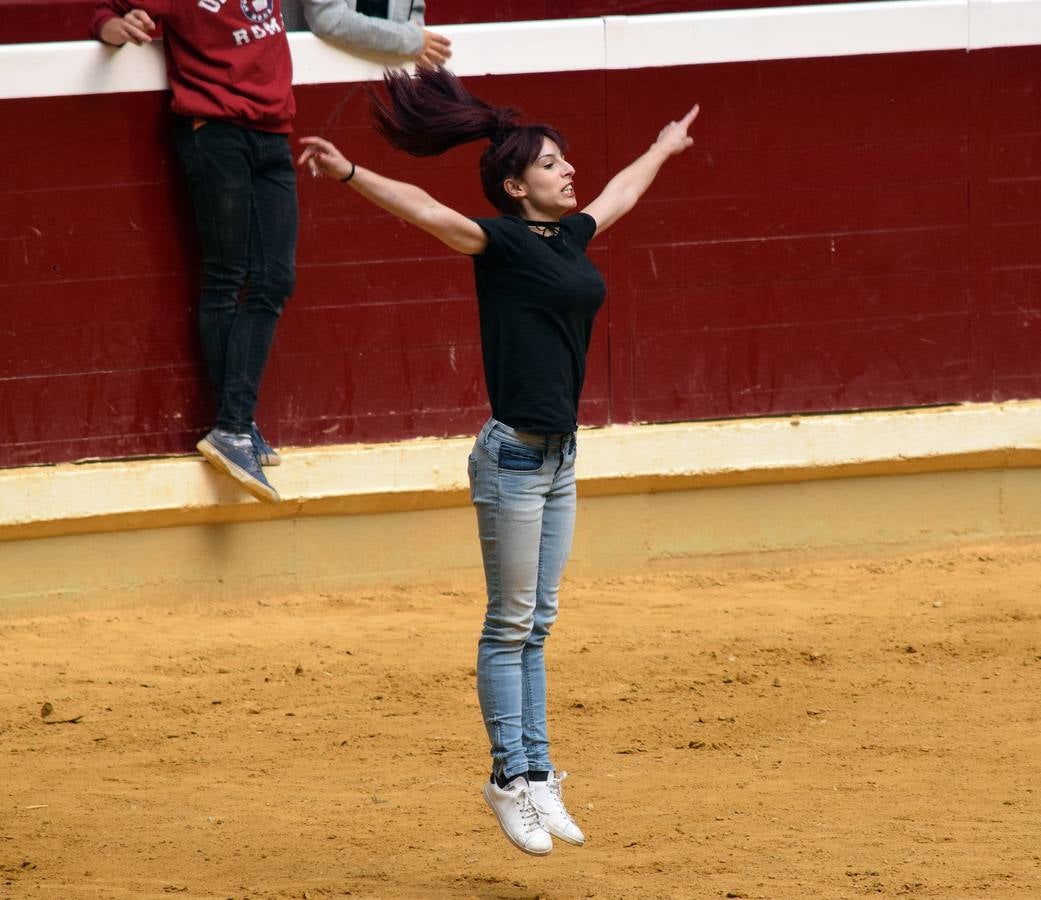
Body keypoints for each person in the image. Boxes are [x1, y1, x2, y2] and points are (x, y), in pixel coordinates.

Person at [298, 67, 698, 856]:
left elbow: (615, 195)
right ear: (515, 187)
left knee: (538, 625)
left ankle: (541, 775)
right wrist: (347, 171)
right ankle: (508, 779)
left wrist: (660, 148)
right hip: (512, 459)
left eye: (563, 162)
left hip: (559, 460)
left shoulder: (569, 236)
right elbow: (426, 209)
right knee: (509, 623)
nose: (568, 171)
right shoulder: (500, 242)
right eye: (551, 164)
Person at [92, 1, 297, 503]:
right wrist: (117, 27)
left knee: (273, 279)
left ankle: (237, 425)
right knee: (228, 276)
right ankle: (234, 427)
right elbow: (106, 12)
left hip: (274, 131)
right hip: (215, 131)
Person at [281, 0, 451, 68]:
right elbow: (327, 18)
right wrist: (408, 40)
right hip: (316, 70)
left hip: (388, 77)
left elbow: (413, 14)